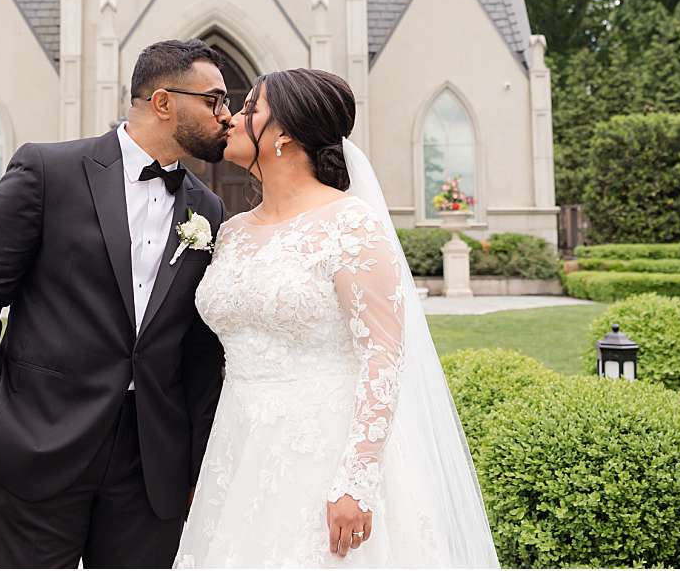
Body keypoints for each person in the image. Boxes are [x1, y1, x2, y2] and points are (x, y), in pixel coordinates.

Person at [175, 68, 499, 568]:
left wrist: (357, 477)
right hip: (236, 447)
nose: (233, 121)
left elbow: (383, 357)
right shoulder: (233, 231)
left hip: (324, 448)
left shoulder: (351, 225)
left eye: (248, 110)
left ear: (282, 133)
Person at [0, 39, 232, 568]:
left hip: (151, 461)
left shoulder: (207, 207)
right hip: (38, 440)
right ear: (164, 102)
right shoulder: (47, 170)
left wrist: (195, 459)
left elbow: (196, 347)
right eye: (214, 100)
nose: (226, 114)